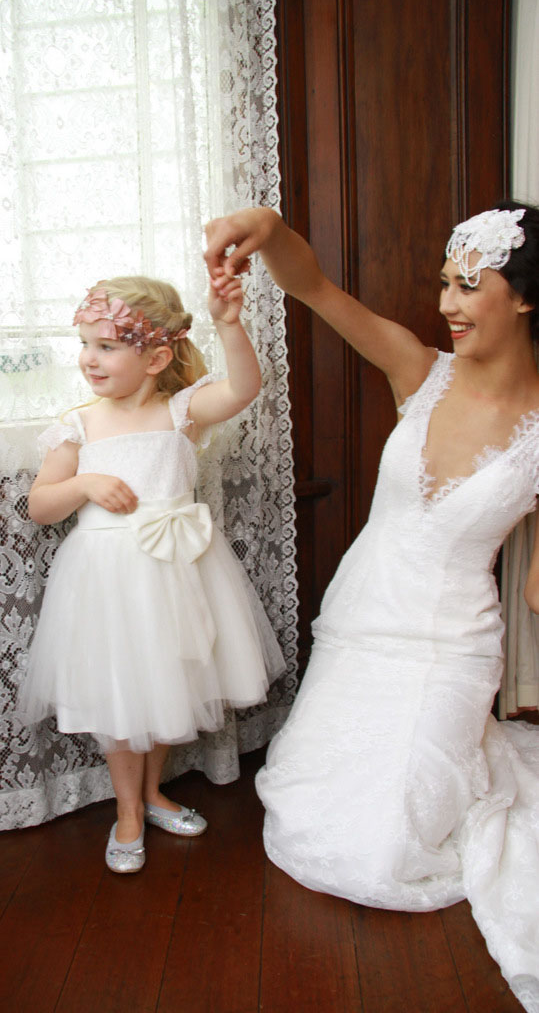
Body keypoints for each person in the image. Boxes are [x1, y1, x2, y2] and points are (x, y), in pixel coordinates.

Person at [204, 202, 539, 1011]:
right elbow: (311, 285)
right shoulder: (418, 369)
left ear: (523, 297)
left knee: (386, 851)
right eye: (441, 283)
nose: (447, 304)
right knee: (312, 818)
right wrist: (265, 227)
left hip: (452, 645)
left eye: (468, 285)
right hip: (359, 623)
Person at [17, 274, 285, 874]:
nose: (90, 358)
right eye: (85, 344)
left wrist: (229, 321)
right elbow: (40, 505)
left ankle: (155, 792)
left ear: (156, 356)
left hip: (175, 572)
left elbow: (244, 387)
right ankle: (128, 811)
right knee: (118, 692)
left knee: (170, 682)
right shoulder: (79, 425)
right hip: (107, 581)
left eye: (107, 346)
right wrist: (82, 483)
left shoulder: (180, 411)